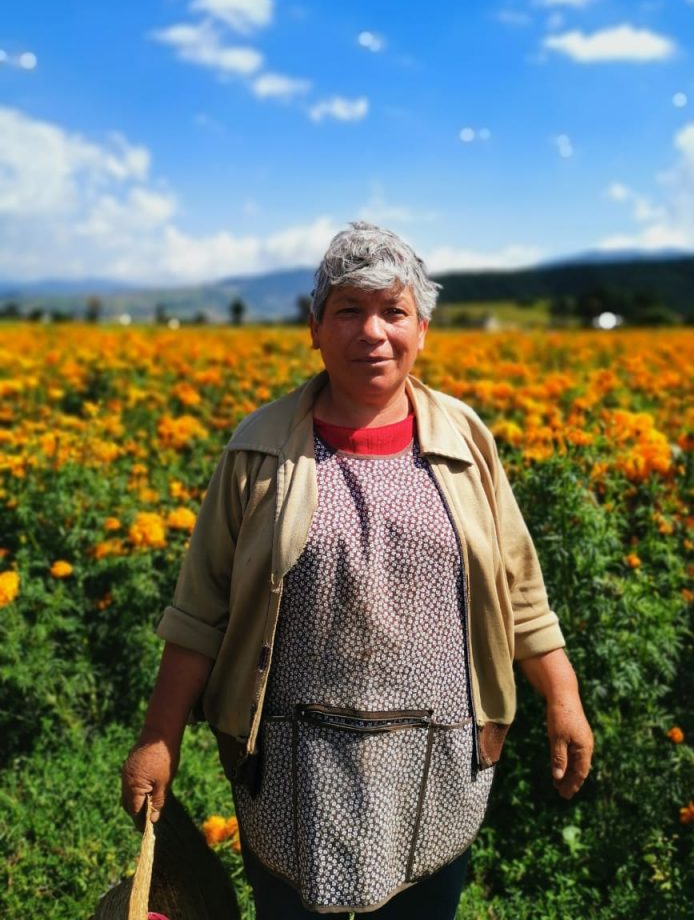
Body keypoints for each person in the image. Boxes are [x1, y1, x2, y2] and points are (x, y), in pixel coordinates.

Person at [122, 221, 593, 918]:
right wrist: (159, 740)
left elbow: (519, 587)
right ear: (315, 327)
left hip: (435, 757)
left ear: (422, 328)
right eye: (348, 311)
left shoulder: (466, 442)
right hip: (292, 762)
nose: (372, 332)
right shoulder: (259, 451)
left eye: (392, 311)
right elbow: (202, 608)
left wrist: (562, 695)